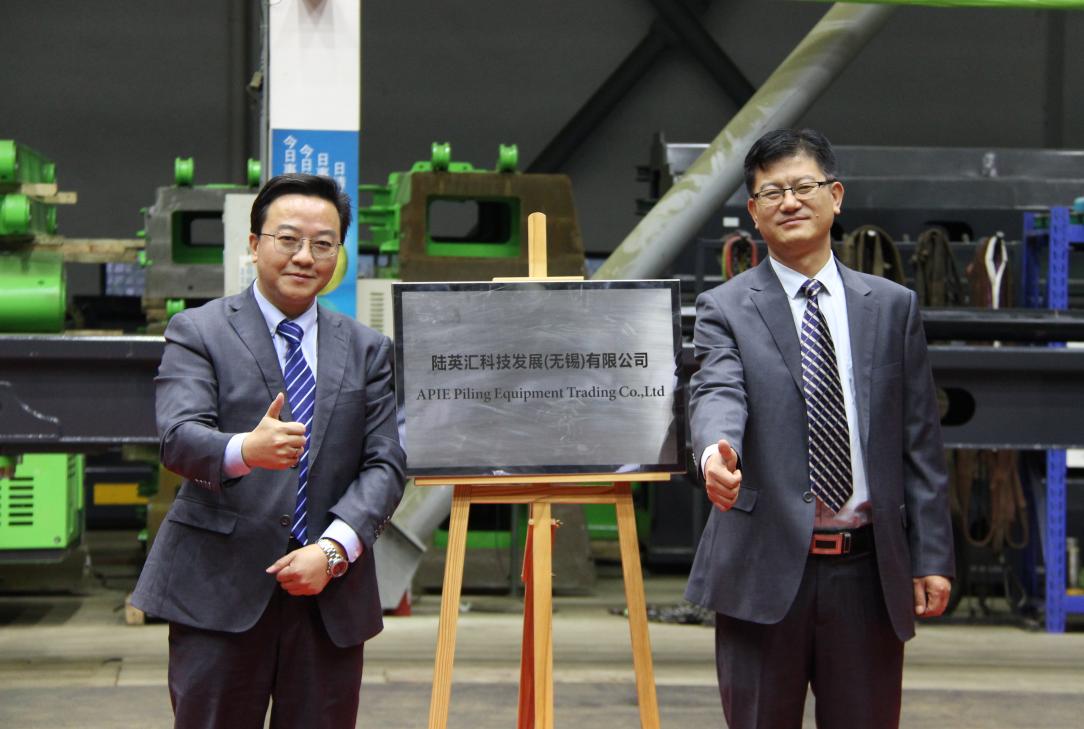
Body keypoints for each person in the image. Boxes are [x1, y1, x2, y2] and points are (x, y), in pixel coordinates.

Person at [684, 128, 954, 729]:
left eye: (803, 186)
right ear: (754, 212)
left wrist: (931, 554)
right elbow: (717, 390)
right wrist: (715, 454)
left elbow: (920, 442)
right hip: (762, 569)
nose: (789, 202)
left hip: (867, 576)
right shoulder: (725, 308)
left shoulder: (892, 307)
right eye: (771, 192)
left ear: (835, 196)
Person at [132, 173, 406, 728]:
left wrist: (333, 550)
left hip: (327, 594)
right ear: (255, 244)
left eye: (323, 243)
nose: (305, 256)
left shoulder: (368, 349)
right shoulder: (198, 331)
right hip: (219, 589)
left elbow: (386, 462)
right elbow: (178, 437)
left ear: (338, 254)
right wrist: (245, 449)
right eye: (288, 239)